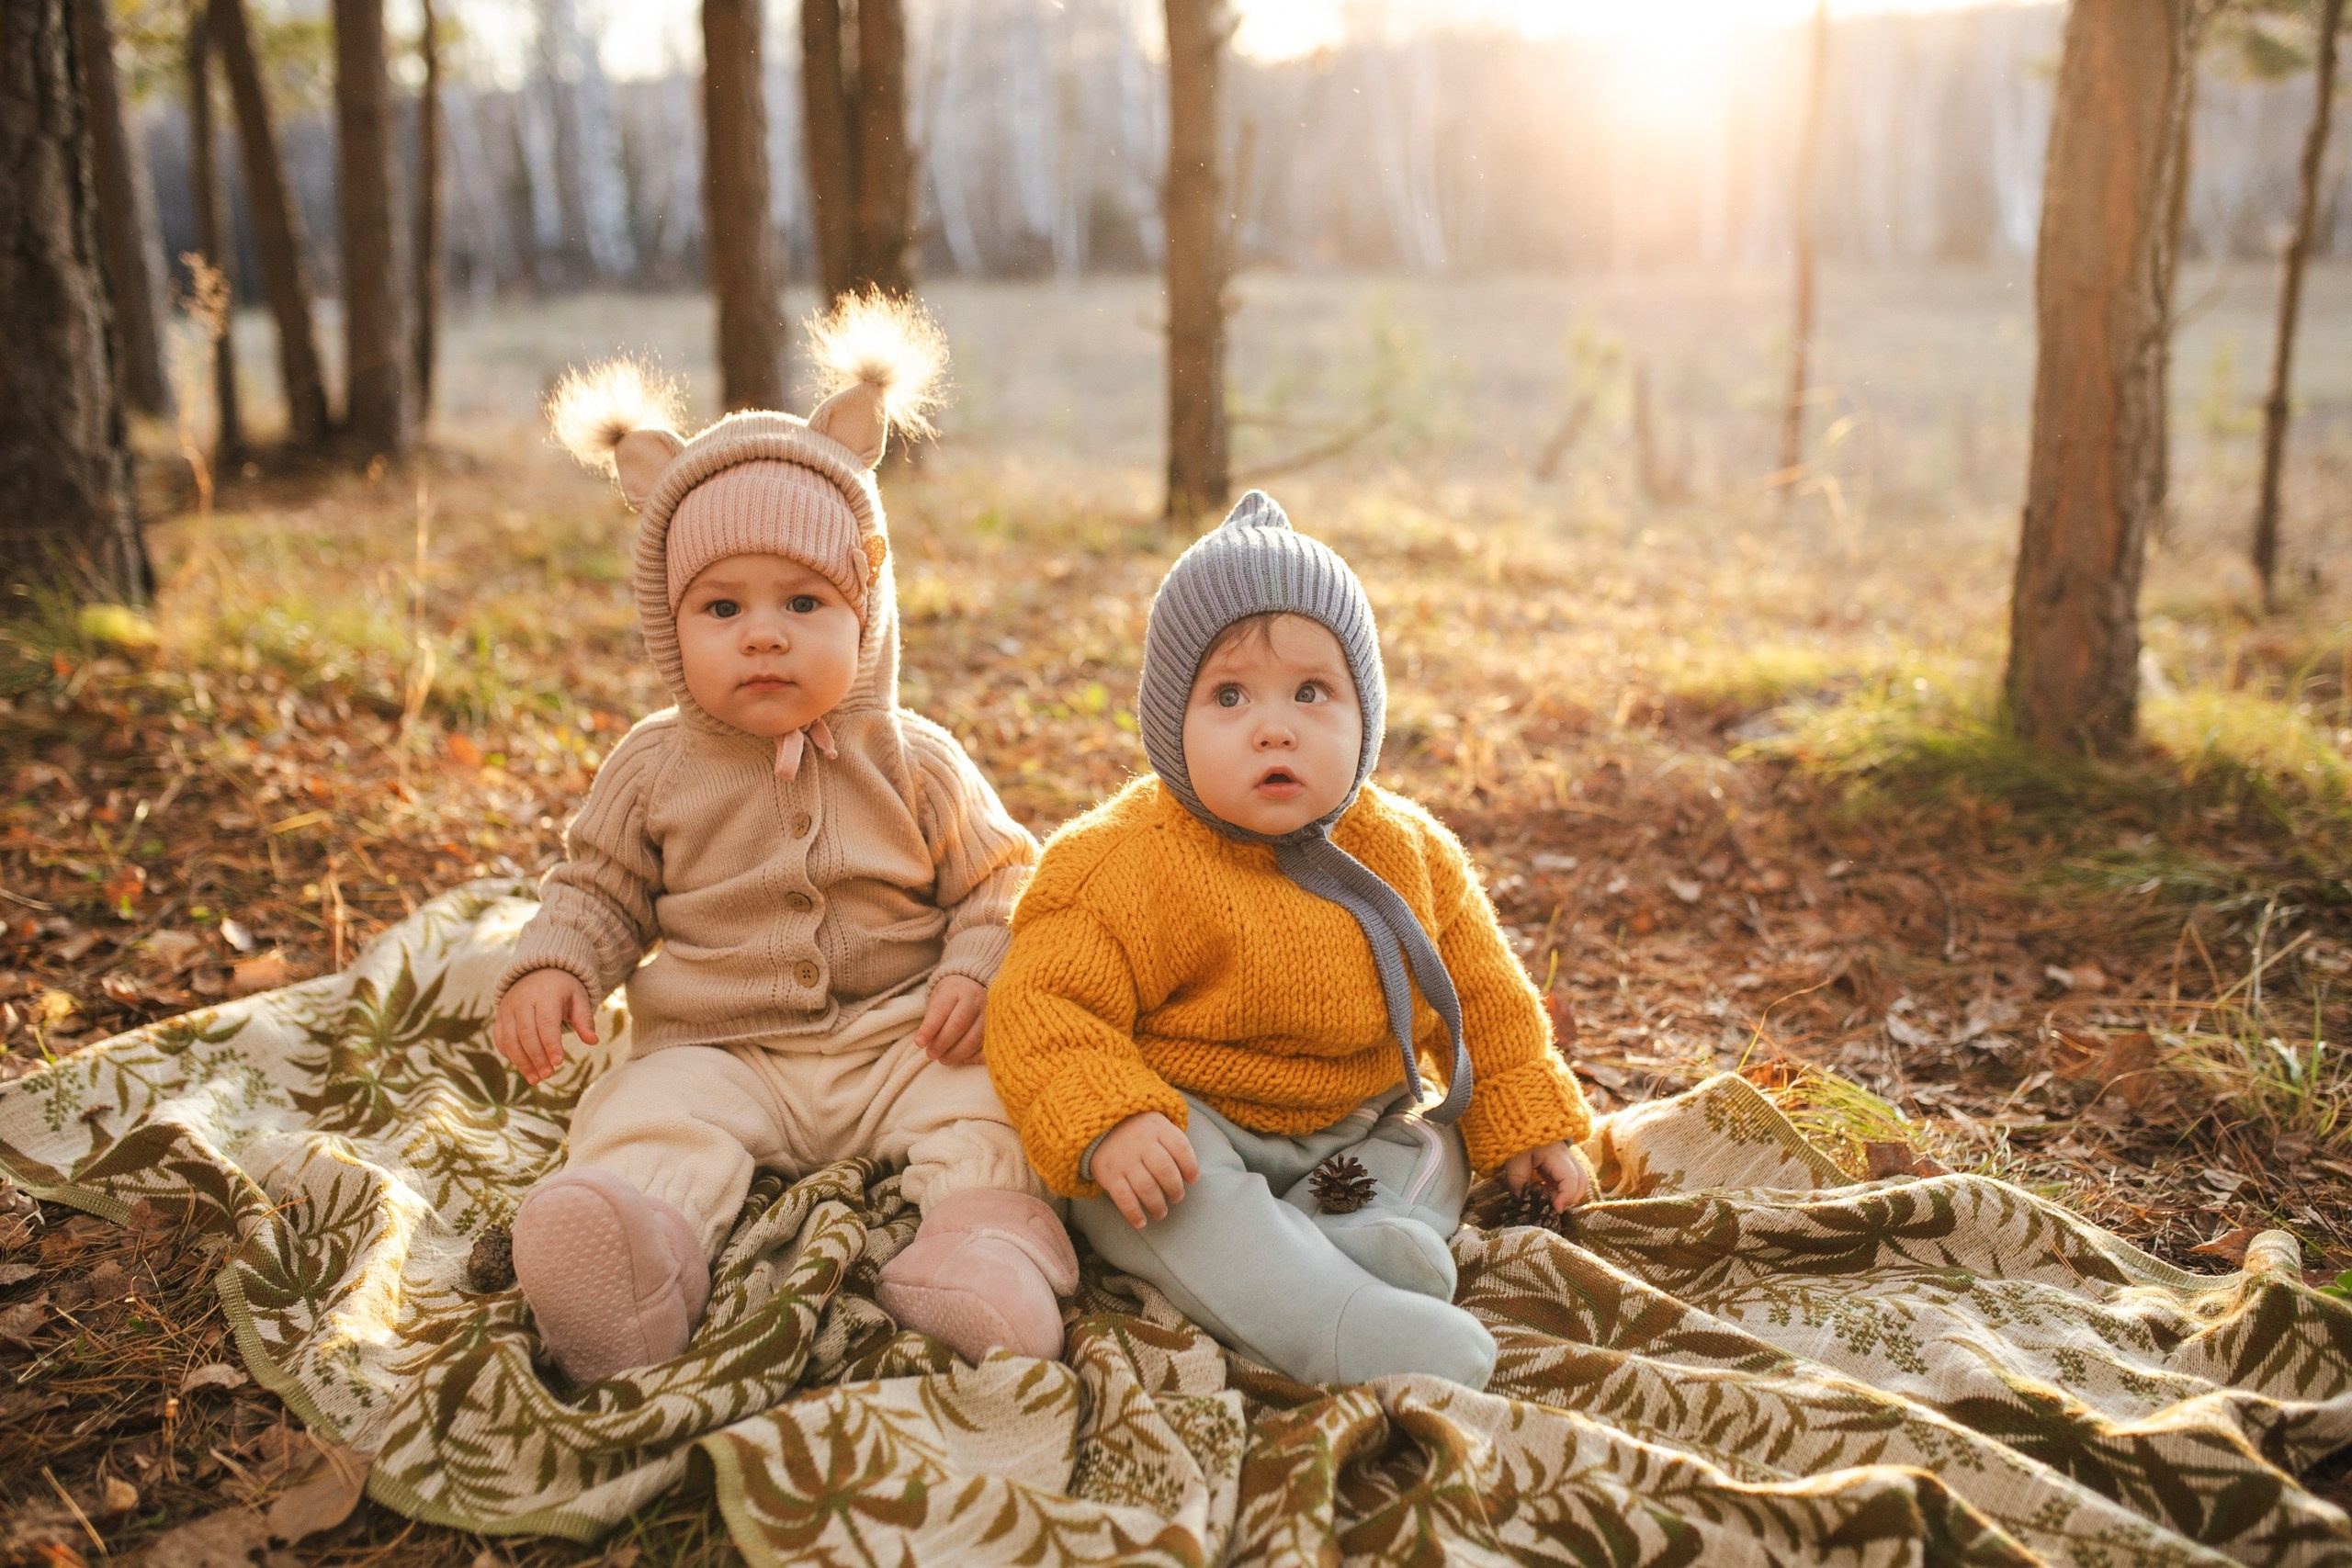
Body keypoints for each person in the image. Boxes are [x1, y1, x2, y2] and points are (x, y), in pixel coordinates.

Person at [489, 296, 1075, 1385]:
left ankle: (983, 1246)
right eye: (722, 611)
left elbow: (1005, 879)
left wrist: (977, 967)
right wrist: (558, 960)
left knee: (997, 1099)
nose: (763, 632)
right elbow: (599, 889)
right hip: (722, 1049)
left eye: (804, 601)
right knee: (645, 1115)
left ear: (867, 614)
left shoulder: (916, 760)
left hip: (901, 1038)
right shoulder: (655, 766)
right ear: (671, 630)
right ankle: (634, 1258)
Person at [985, 490, 1595, 1391]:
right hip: (1192, 1122)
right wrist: (1111, 1115)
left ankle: (1363, 1243)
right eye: (1229, 695)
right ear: (1167, 725)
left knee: (1436, 1141)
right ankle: (1329, 1320)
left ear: (1366, 715)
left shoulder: (1408, 852)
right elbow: (1041, 1005)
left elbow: (1483, 1002)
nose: (1275, 726)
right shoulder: (1115, 863)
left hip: (1353, 1128)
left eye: (1312, 692)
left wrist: (1524, 1118)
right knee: (1149, 1192)